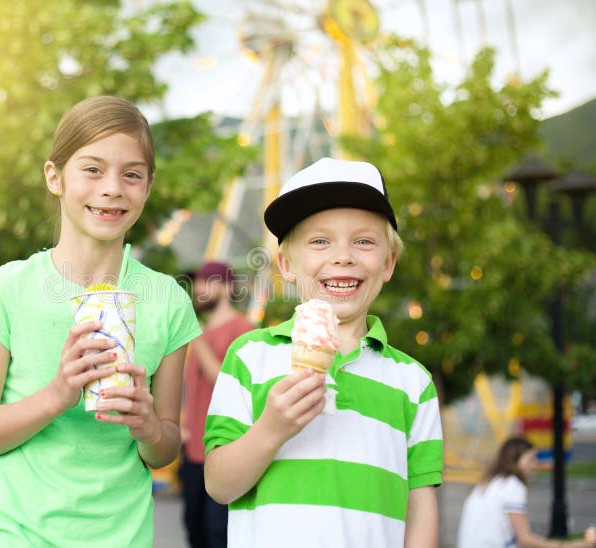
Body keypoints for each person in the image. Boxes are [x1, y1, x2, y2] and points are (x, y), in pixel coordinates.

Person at [0, 95, 201, 547]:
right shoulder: (4, 290)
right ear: (55, 177)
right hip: (12, 533)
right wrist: (57, 395)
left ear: (148, 186)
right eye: (92, 169)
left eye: (132, 174)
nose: (112, 188)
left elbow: (164, 448)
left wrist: (148, 426)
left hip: (121, 536)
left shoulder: (168, 300)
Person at [203, 157, 444, 547]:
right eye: (319, 241)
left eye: (363, 241)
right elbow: (219, 485)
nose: (343, 255)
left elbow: (420, 506)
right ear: (286, 264)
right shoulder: (250, 356)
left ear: (388, 263)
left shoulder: (413, 381)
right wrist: (271, 430)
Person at [181, 261, 255, 548]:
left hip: (225, 448)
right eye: (197, 281)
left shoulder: (243, 329)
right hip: (193, 449)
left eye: (205, 281)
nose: (198, 289)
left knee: (218, 533)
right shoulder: (201, 332)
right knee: (193, 527)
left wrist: (196, 336)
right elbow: (193, 389)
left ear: (227, 287)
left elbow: (222, 379)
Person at [457, 436, 596, 548]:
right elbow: (525, 539)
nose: (534, 465)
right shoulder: (513, 486)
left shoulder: (487, 483)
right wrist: (568, 545)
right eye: (531, 459)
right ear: (514, 460)